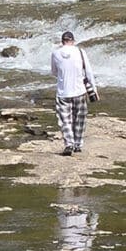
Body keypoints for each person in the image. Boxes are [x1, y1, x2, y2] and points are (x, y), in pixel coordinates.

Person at [50, 27, 97, 155]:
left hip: (63, 92)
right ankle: (78, 144)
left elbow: (54, 72)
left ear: (62, 41)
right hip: (79, 91)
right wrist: (94, 90)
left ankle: (69, 144)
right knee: (79, 119)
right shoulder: (80, 52)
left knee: (65, 120)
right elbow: (88, 72)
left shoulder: (55, 53)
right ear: (73, 41)